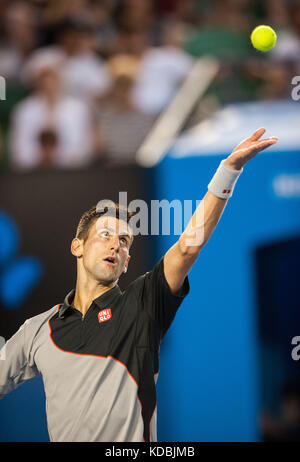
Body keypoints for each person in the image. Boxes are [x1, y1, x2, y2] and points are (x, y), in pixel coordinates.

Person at [0, 128, 278, 441]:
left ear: (127, 261)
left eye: (124, 241)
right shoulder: (36, 330)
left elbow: (188, 246)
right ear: (77, 246)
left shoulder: (143, 303)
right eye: (105, 236)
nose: (115, 246)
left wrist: (229, 170)